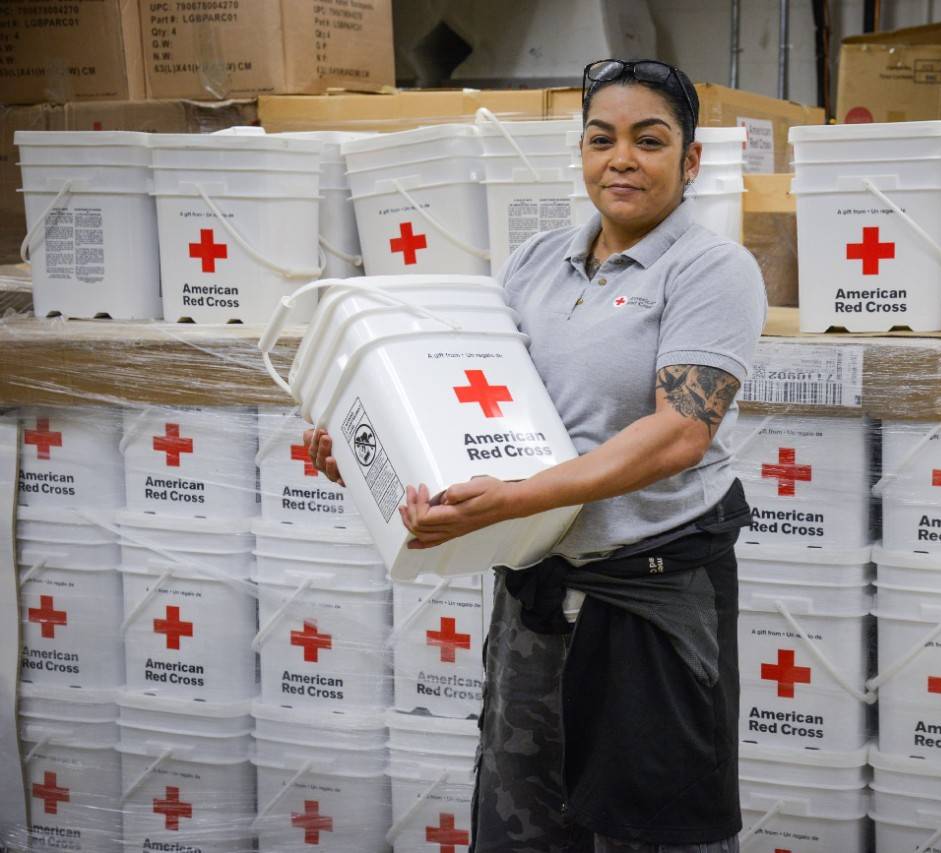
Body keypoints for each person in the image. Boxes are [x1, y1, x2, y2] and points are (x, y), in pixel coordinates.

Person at [306, 59, 767, 853]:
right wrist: (369, 442)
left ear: (690, 161)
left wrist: (523, 496)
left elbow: (680, 432)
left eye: (649, 140)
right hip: (536, 595)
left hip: (648, 601)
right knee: (522, 828)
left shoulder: (712, 269)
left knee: (654, 835)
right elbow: (466, 399)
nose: (621, 157)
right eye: (601, 138)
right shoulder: (533, 264)